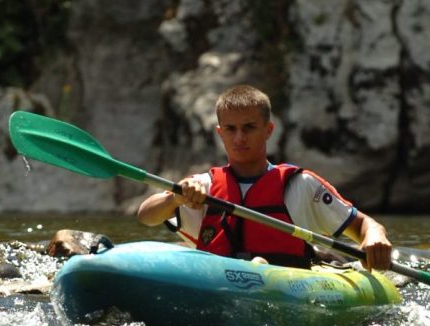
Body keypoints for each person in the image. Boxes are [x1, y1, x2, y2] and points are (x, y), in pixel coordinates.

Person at [137, 84, 392, 271]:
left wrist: (374, 237)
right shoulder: (203, 187)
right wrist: (176, 198)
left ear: (268, 130)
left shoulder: (301, 186)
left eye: (249, 128)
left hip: (286, 285)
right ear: (220, 133)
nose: (239, 138)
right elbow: (146, 216)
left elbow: (363, 225)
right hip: (217, 282)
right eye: (231, 129)